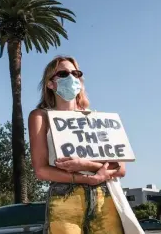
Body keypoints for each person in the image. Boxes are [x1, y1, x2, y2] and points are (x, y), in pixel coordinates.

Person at [28, 56, 126, 234]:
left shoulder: (96, 119)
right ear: (50, 83)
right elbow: (41, 170)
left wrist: (85, 165)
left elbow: (120, 168)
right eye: (63, 74)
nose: (71, 78)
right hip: (65, 197)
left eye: (76, 73)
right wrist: (89, 177)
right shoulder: (40, 117)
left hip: (105, 197)